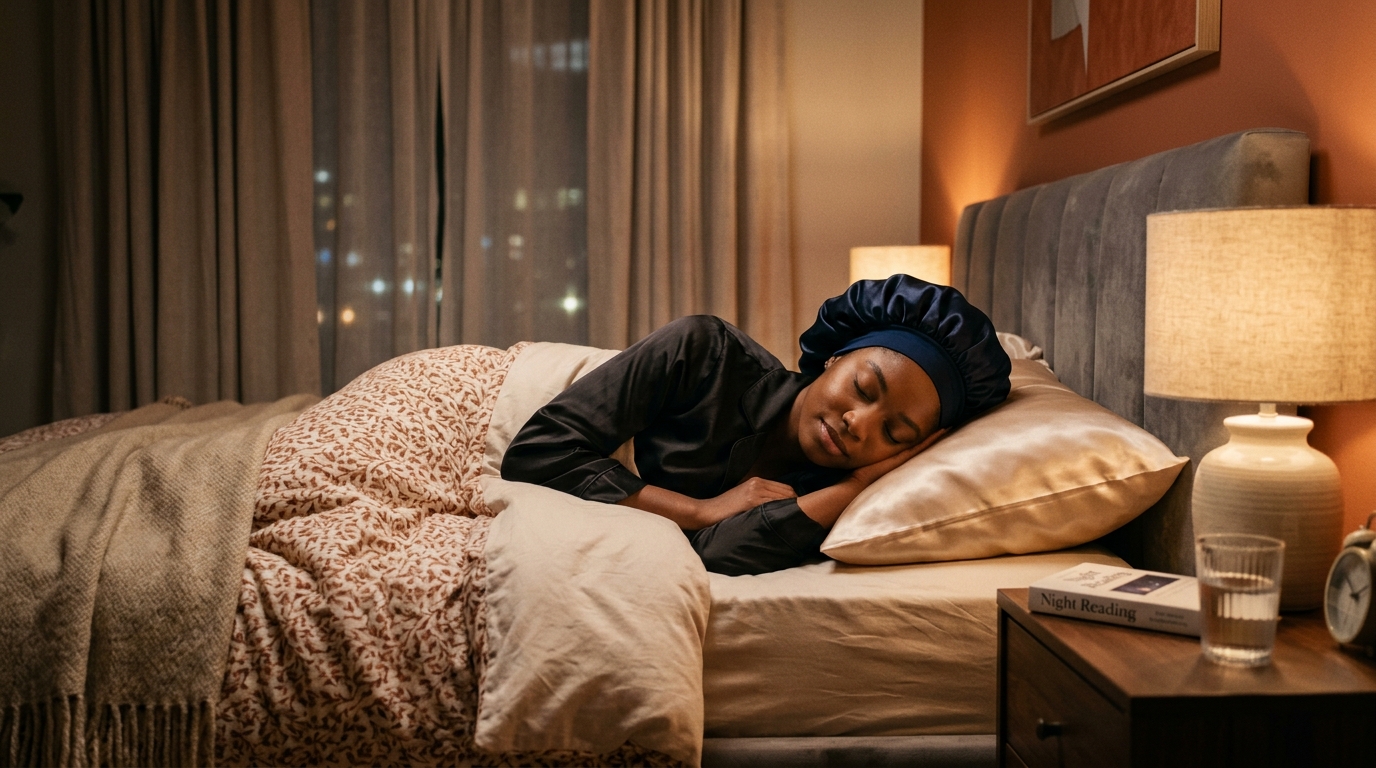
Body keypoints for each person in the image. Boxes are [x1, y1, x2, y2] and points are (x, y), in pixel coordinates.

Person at [501, 275, 1012, 575]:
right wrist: (700, 510)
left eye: (895, 433)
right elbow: (537, 451)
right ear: (834, 359)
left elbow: (716, 556)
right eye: (863, 388)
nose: (860, 424)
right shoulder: (703, 351)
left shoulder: (847, 493)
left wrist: (854, 486)